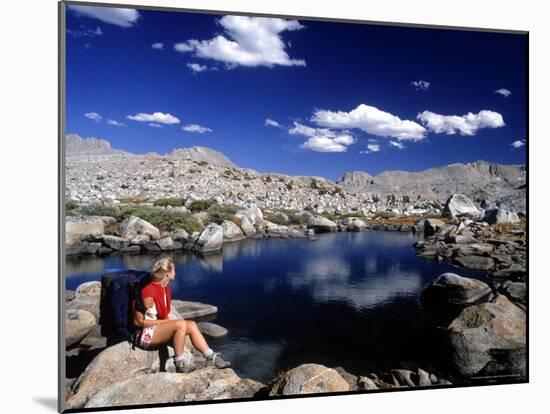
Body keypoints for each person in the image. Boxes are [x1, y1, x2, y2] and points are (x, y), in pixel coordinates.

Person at [132, 257, 230, 373]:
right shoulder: (148, 293)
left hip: (155, 328)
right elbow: (137, 322)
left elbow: (162, 314)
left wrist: (165, 322)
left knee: (192, 324)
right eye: (173, 270)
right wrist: (165, 322)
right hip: (143, 334)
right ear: (167, 274)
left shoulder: (164, 289)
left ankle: (210, 357)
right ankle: (180, 363)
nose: (175, 273)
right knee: (180, 325)